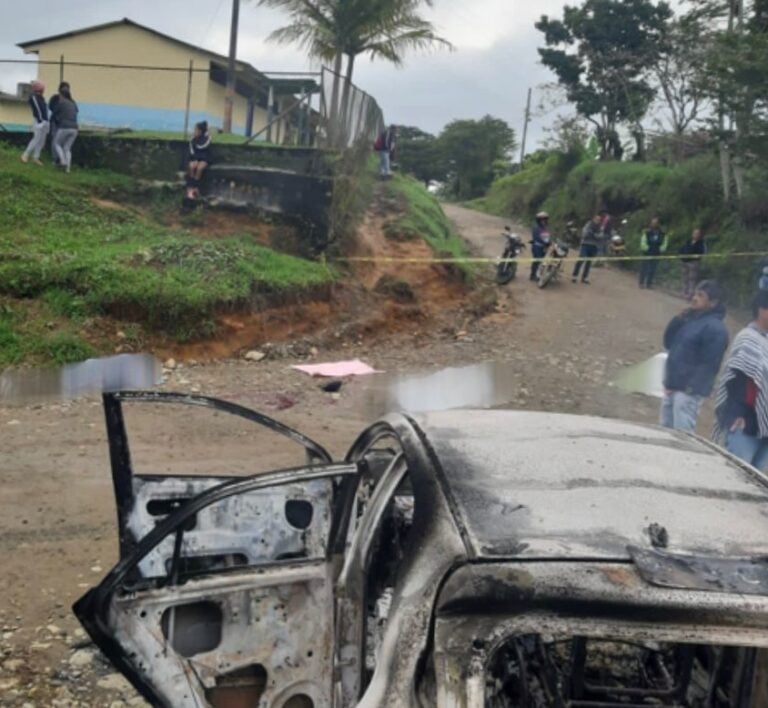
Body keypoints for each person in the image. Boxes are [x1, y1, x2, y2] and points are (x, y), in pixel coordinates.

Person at [660, 280, 729, 432]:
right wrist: (677, 320)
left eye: (701, 295)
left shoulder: (715, 329)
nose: (694, 298)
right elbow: (669, 344)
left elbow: (710, 364)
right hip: (673, 385)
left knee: (682, 436)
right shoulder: (690, 320)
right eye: (695, 293)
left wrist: (691, 388)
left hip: (688, 391)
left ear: (713, 302)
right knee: (663, 432)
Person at [713, 289, 768, 470]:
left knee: (756, 486)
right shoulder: (748, 338)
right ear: (762, 310)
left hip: (765, 429)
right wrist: (738, 413)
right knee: (735, 478)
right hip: (746, 424)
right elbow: (737, 380)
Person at [20, 80, 49, 165]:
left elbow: (44, 110)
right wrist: (41, 121)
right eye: (42, 88)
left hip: (45, 121)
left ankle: (36, 157)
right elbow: (37, 109)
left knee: (42, 141)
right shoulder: (33, 97)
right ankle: (25, 154)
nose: (43, 90)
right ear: (39, 89)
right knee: (36, 139)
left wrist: (46, 121)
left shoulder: (41, 98)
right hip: (39, 121)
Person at [51, 84, 78, 173]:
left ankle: (62, 161)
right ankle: (68, 169)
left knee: (57, 143)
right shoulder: (73, 103)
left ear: (62, 95)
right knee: (67, 148)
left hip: (64, 127)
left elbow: (54, 114)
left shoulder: (61, 103)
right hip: (74, 128)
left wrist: (56, 120)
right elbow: (76, 112)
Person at [572, 213, 602, 284]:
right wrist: (587, 233)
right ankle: (574, 275)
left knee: (589, 262)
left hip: (594, 246)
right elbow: (584, 232)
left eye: (599, 220)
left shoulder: (600, 227)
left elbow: (601, 235)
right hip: (585, 244)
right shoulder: (589, 224)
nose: (597, 220)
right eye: (596, 219)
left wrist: (595, 235)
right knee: (581, 258)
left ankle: (584, 277)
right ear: (593, 219)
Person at [639, 217, 667, 289]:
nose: (653, 224)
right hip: (647, 253)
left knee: (652, 270)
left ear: (658, 224)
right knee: (644, 268)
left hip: (656, 254)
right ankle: (641, 283)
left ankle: (649, 284)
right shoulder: (646, 232)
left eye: (655, 223)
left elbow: (665, 243)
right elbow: (643, 242)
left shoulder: (663, 233)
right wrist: (647, 248)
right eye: (652, 223)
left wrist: (660, 250)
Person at [186, 121, 212, 199]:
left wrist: (200, 159)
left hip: (205, 158)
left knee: (199, 168)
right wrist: (195, 159)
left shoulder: (207, 139)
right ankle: (190, 187)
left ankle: (196, 187)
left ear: (200, 131)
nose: (194, 131)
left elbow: (203, 147)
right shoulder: (192, 139)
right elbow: (191, 150)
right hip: (195, 158)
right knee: (192, 166)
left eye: (196, 130)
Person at [679, 228, 706, 298]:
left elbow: (702, 253)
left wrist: (696, 258)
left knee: (692, 279)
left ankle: (690, 294)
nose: (695, 235)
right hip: (685, 261)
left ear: (699, 235)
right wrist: (681, 255)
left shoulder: (701, 243)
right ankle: (684, 292)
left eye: (697, 234)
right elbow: (682, 248)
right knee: (685, 278)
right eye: (694, 233)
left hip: (693, 263)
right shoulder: (688, 241)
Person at [48, 81, 69, 165]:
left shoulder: (68, 100)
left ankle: (62, 159)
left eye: (67, 89)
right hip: (55, 122)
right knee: (55, 140)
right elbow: (50, 106)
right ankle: (55, 159)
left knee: (63, 141)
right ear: (60, 89)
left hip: (64, 123)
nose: (65, 91)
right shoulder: (55, 98)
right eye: (64, 89)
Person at [530, 211, 551, 282]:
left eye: (545, 219)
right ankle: (534, 275)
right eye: (543, 219)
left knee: (539, 261)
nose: (545, 221)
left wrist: (548, 242)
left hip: (543, 247)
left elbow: (546, 237)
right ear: (539, 220)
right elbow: (537, 237)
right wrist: (545, 242)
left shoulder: (544, 228)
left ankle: (534, 274)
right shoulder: (536, 227)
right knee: (537, 261)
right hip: (537, 246)